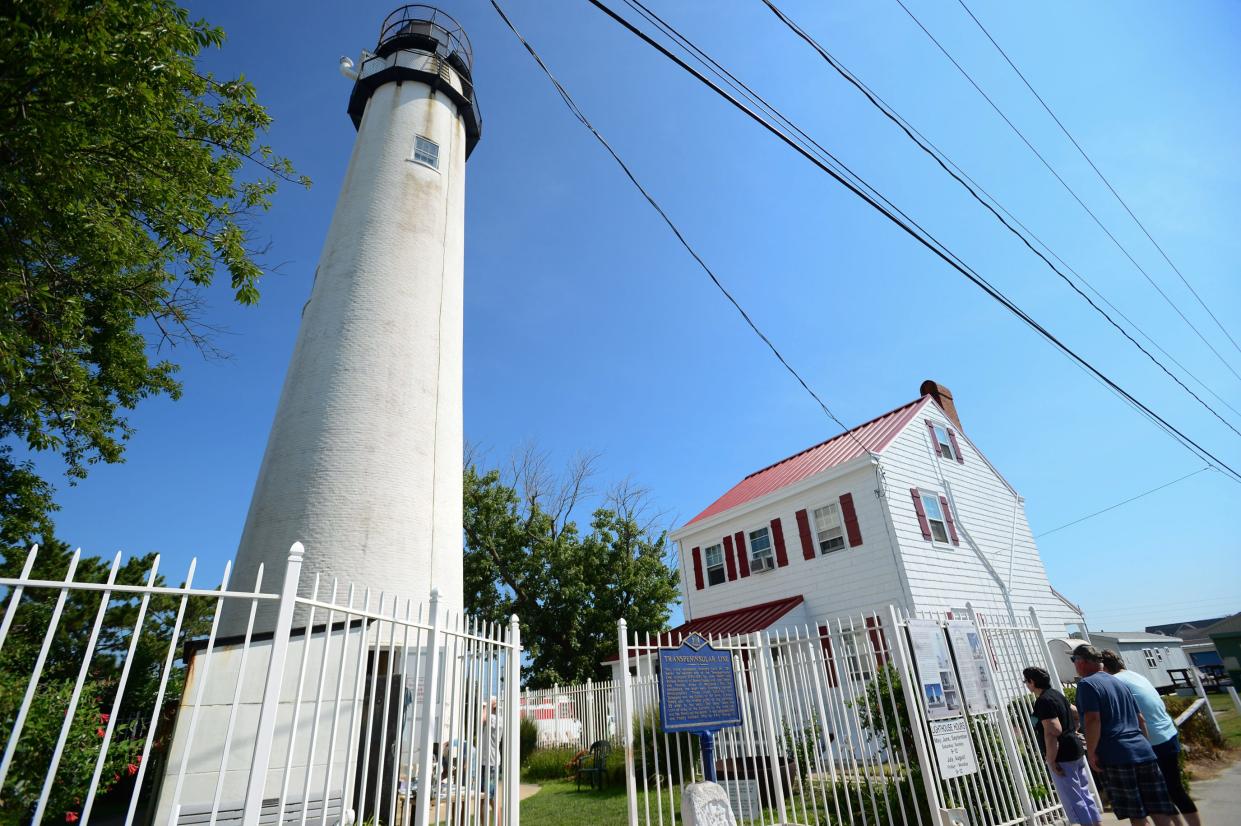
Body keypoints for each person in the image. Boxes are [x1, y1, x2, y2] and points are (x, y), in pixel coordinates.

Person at [1072, 644, 1178, 826]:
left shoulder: (1087, 684)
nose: (1074, 664)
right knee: (1157, 807)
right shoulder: (1118, 682)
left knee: (1136, 812)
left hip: (1117, 754)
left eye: (1074, 660)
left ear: (1082, 662)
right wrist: (1145, 745)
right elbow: (1141, 719)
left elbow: (1092, 720)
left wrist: (1091, 751)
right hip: (1143, 751)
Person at [1101, 650, 1200, 825]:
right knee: (1174, 789)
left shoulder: (1115, 681)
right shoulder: (1134, 675)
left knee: (1158, 793)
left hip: (1150, 739)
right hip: (1168, 733)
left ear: (1104, 667)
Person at [1023, 666, 1103, 825]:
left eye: (1026, 681)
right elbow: (1075, 712)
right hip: (1075, 749)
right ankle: (1096, 822)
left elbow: (1053, 730)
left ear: (1032, 682)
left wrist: (1051, 760)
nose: (1026, 684)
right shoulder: (1056, 694)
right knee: (1084, 792)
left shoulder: (1043, 701)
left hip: (1062, 755)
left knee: (1074, 798)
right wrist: (1073, 729)